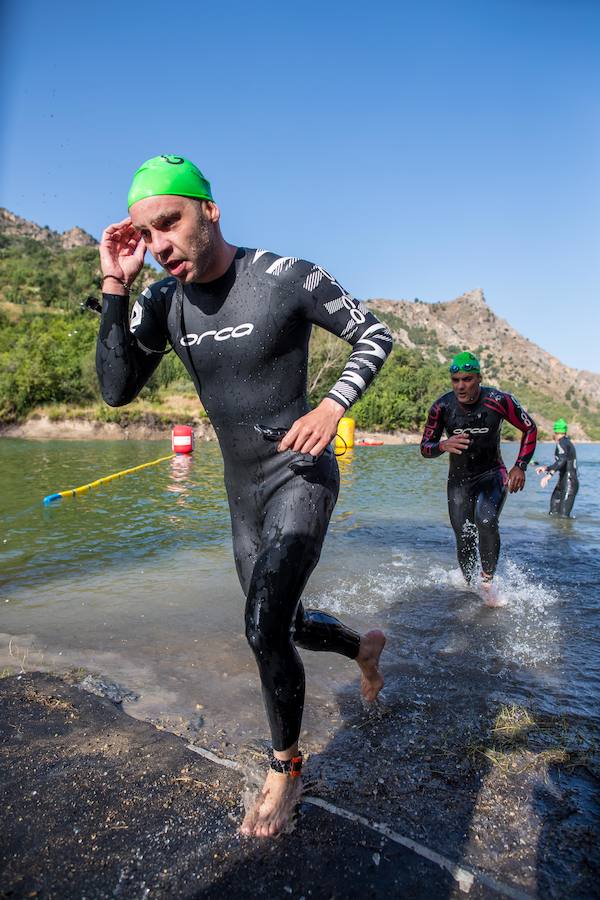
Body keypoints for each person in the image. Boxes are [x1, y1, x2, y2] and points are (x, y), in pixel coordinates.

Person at [96, 155, 391, 837]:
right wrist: (116, 284)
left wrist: (332, 407)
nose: (161, 242)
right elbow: (116, 388)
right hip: (241, 492)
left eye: (170, 222)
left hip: (300, 475)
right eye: (147, 233)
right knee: (278, 627)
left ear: (210, 211)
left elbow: (374, 334)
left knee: (261, 626)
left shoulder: (286, 277)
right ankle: (360, 650)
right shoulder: (162, 300)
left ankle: (285, 769)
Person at [420, 351, 537, 606]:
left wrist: (520, 466)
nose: (461, 385)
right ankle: (469, 583)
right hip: (459, 480)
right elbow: (425, 447)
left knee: (486, 519)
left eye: (467, 379)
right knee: (463, 534)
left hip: (491, 474)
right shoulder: (442, 407)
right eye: (456, 380)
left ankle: (487, 580)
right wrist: (443, 445)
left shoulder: (498, 400)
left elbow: (529, 428)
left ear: (479, 378)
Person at [536, 419, 579, 517]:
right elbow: (561, 462)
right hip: (563, 482)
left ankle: (564, 531)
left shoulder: (562, 443)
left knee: (563, 517)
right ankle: (554, 532)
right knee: (553, 513)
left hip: (569, 483)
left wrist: (548, 476)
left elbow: (562, 461)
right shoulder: (566, 443)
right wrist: (546, 468)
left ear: (555, 432)